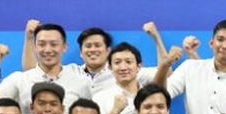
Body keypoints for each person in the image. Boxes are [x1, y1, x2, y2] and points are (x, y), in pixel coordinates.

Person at [0, 24, 91, 114]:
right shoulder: (20, 79)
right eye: (42, 44)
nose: (48, 50)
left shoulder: (80, 81)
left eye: (53, 44)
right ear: (34, 47)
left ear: (64, 47)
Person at [21, 20, 169, 95]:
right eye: (88, 46)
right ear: (80, 52)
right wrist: (29, 38)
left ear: (108, 50)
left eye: (97, 45)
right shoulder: (69, 71)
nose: (93, 50)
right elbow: (31, 71)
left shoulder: (124, 72)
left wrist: (156, 38)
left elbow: (167, 74)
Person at [92, 42, 160, 114]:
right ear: (110, 67)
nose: (123, 67)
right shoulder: (100, 98)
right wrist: (115, 112)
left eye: (128, 62)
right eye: (117, 62)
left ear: (138, 66)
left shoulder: (154, 96)